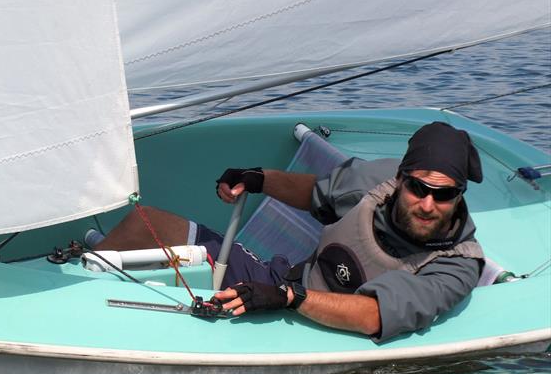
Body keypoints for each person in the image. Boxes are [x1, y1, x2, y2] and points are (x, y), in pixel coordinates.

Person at [93, 122, 485, 342]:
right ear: (401, 179)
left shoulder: (456, 266)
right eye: (418, 188)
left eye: (444, 194)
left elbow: (373, 315)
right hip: (282, 285)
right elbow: (317, 192)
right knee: (145, 223)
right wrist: (259, 179)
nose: (428, 204)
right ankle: (81, 302)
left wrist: (287, 298)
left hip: (330, 340)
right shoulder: (376, 181)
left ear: (459, 194)